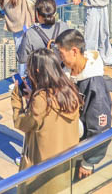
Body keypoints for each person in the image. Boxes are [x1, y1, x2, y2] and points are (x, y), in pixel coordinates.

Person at [11, 48, 81, 193]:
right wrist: (33, 97)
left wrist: (17, 100)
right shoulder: (69, 90)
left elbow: (22, 123)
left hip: (42, 170)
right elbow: (51, 115)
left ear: (37, 70)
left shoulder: (41, 99)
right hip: (64, 168)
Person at [56, 29, 112, 180]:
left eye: (61, 53)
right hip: (67, 144)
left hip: (81, 151)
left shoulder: (94, 84)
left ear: (74, 51)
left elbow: (101, 128)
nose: (60, 58)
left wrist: (89, 161)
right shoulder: (66, 71)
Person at [17, 0, 70, 67]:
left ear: (37, 14)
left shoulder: (30, 33)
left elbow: (22, 59)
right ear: (54, 12)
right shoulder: (64, 27)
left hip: (40, 74)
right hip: (62, 73)